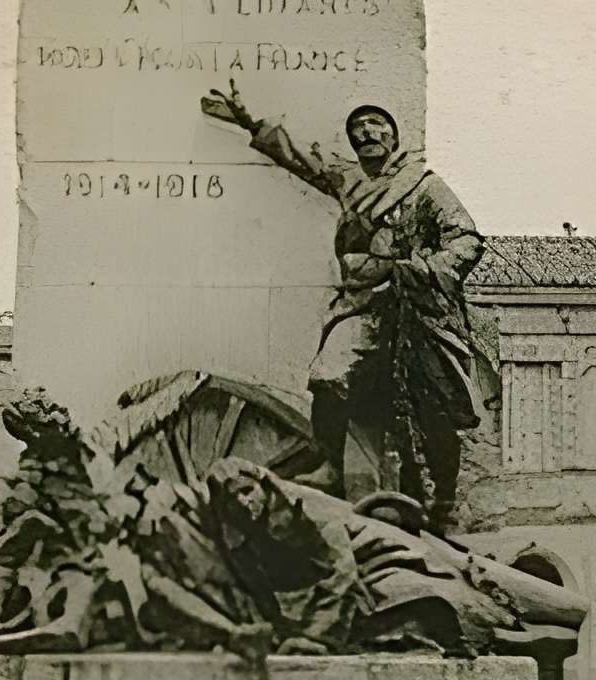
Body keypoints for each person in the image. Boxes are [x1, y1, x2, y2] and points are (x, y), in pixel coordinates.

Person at [198, 84, 493, 527]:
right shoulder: (349, 181)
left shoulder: (424, 186)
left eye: (375, 125)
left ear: (393, 137)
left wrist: (426, 269)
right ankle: (329, 466)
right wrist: (248, 120)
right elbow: (300, 159)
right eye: (357, 129)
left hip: (417, 307)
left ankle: (444, 501)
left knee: (432, 407)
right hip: (363, 304)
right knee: (328, 375)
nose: (365, 133)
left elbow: (466, 238)